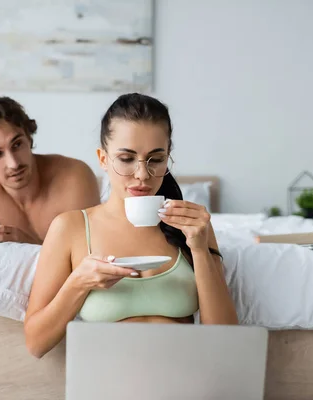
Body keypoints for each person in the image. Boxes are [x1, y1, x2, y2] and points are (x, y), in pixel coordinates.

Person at [23, 93, 238, 358]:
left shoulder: (193, 226)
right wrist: (79, 282)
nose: (142, 174)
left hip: (186, 380)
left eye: (155, 160)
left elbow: (227, 341)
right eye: (126, 159)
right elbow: (35, 343)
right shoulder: (70, 228)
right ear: (103, 159)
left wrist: (200, 250)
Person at [0, 96, 101, 245]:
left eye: (17, 144)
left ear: (29, 137)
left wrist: (28, 244)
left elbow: (87, 253)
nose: (14, 163)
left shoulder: (75, 177)